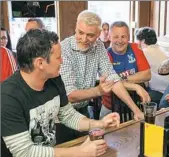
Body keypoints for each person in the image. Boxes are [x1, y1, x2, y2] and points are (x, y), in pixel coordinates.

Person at [1, 29, 120, 157]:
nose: (62, 61)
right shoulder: (8, 96)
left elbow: (68, 115)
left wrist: (100, 123)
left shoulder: (54, 79)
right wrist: (79, 152)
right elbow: (25, 152)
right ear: (40, 63)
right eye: (58, 57)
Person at [60, 10, 145, 120]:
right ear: (76, 28)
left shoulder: (99, 46)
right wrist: (98, 91)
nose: (84, 39)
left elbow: (112, 78)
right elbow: (70, 95)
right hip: (62, 114)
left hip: (83, 111)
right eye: (80, 33)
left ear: (98, 34)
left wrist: (136, 110)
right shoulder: (63, 49)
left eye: (90, 35)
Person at [100, 21, 151, 118]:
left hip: (136, 102)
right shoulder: (105, 55)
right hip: (110, 106)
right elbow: (111, 83)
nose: (120, 41)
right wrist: (136, 86)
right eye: (116, 37)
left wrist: (122, 80)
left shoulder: (135, 48)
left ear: (128, 37)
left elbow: (147, 74)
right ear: (110, 37)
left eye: (123, 36)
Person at [135, 27, 169, 104]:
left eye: (137, 41)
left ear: (142, 41)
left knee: (138, 95)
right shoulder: (160, 48)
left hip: (164, 91)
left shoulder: (144, 52)